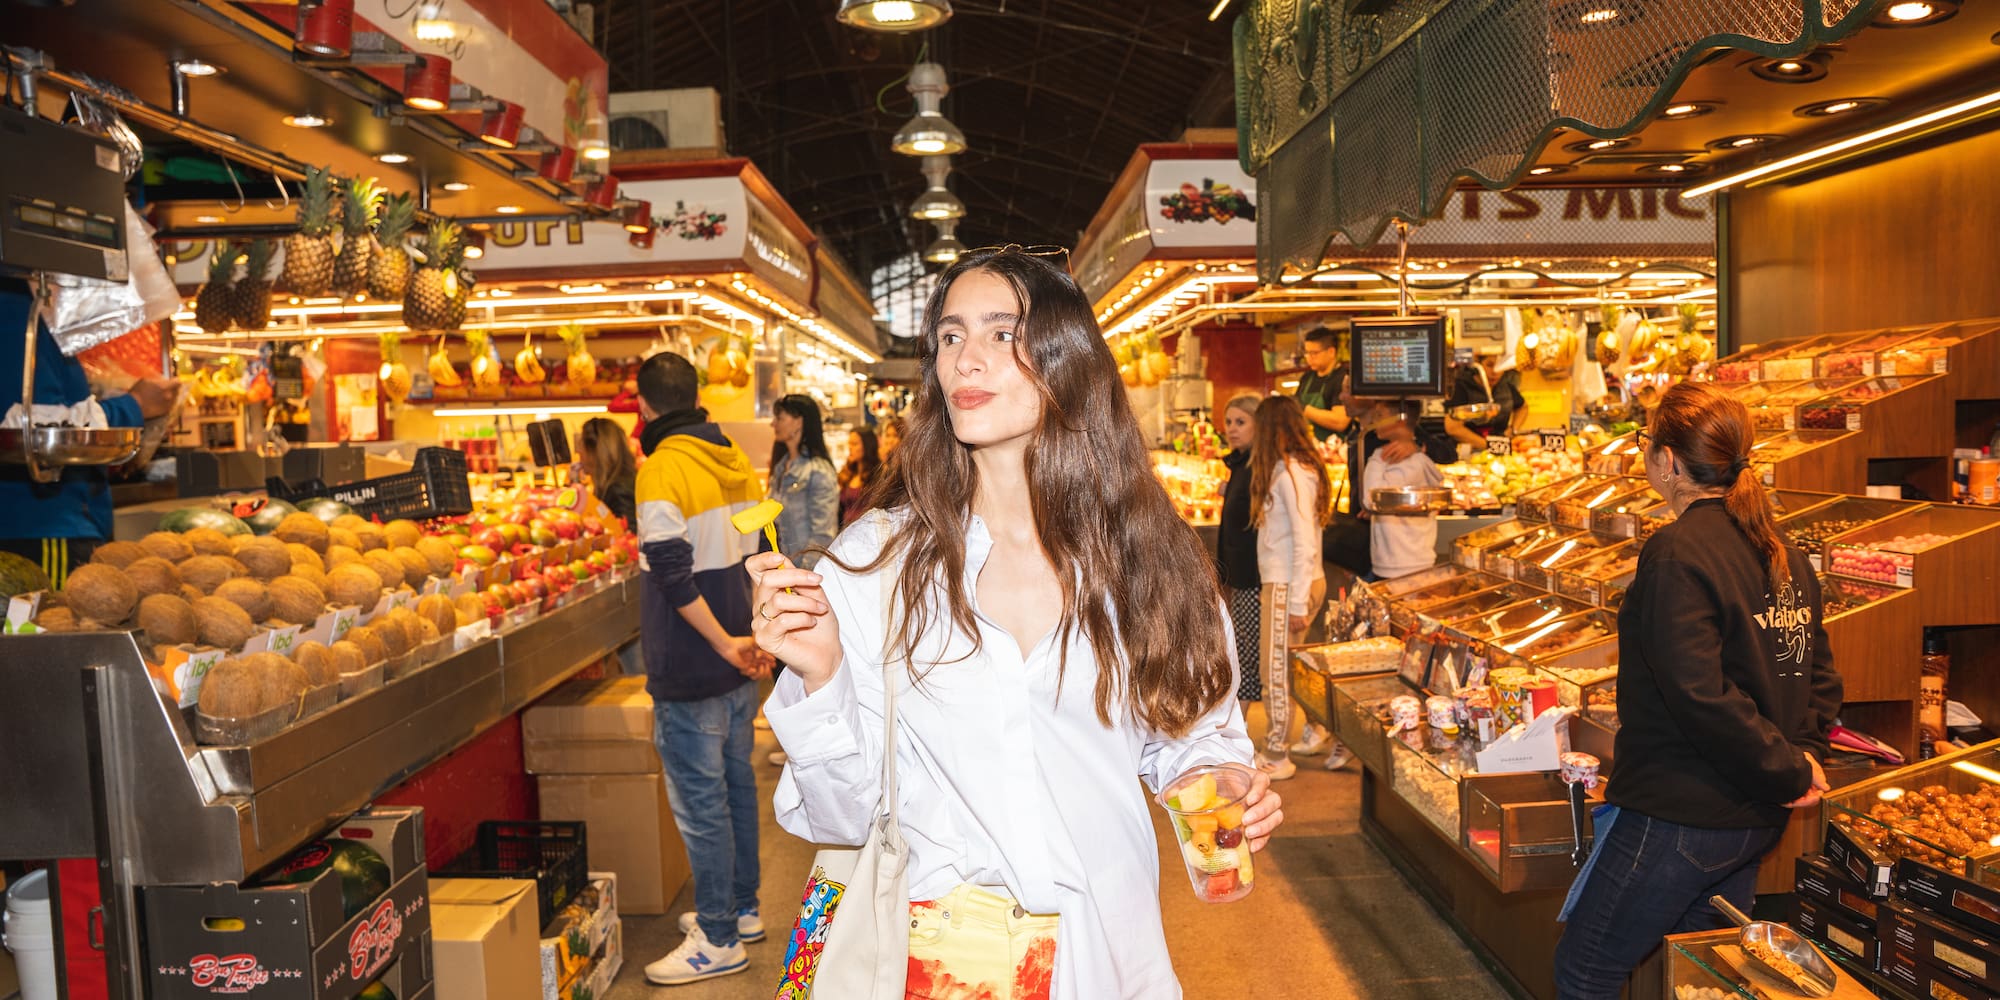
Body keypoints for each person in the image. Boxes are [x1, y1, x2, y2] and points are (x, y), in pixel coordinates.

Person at [749, 246, 1284, 1000]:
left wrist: (1221, 780)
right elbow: (839, 818)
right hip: (938, 965)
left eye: (1003, 334)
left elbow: (1193, 733)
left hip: (1104, 952)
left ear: (1068, 361)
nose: (968, 359)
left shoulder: (1146, 558)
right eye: (950, 336)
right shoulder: (876, 565)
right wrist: (823, 675)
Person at [1552, 381, 1841, 999]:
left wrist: (1791, 769)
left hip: (1682, 814)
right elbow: (1817, 669)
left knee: (1586, 969)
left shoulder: (1676, 552)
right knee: (1700, 976)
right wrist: (1799, 759)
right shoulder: (1782, 547)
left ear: (1668, 462)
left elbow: (1699, 694)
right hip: (1755, 815)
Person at [630, 351, 776, 987]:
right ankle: (740, 911)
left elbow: (669, 570)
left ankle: (717, 937)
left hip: (696, 665)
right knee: (736, 786)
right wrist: (755, 640)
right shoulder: (734, 460)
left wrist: (723, 644)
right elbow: (765, 552)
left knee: (701, 805)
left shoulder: (660, 469)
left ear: (644, 405)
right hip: (740, 660)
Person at [0, 280, 179, 582]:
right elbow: (38, 427)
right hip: (42, 524)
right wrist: (135, 406)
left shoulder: (35, 313)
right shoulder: (16, 311)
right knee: (54, 625)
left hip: (55, 521)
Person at [1245, 394, 1334, 779]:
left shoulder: (1290, 473)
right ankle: (1324, 730)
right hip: (1296, 581)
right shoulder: (1300, 468)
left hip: (1287, 585)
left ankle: (1277, 753)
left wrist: (1296, 602)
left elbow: (1302, 542)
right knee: (1293, 669)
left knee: (1275, 671)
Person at [1361, 400, 1447, 581]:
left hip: (1395, 562)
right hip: (1421, 557)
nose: (1373, 421)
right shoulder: (1423, 460)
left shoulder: (1386, 459)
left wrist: (1376, 461)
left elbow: (1372, 498)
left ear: (1399, 419)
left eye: (1379, 416)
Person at [1216, 394, 1263, 709]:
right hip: (1238, 577)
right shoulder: (1239, 466)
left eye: (1241, 422)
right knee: (1241, 648)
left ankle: (1242, 728)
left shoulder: (1259, 471)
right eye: (1229, 422)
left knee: (1247, 653)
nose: (1232, 429)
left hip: (1253, 579)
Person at [768, 394, 839, 570]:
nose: (773, 424)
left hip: (805, 572)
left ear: (799, 422)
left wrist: (804, 576)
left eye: (780, 418)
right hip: (784, 568)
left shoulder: (817, 471)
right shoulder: (781, 467)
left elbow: (823, 534)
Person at [1445, 345, 1526, 448]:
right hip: (1466, 451)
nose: (1495, 372)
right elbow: (1452, 428)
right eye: (1489, 365)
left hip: (1500, 449)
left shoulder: (1506, 386)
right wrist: (1489, 446)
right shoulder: (1462, 387)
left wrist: (1513, 430)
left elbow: (1523, 407)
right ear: (1478, 364)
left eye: (1499, 366)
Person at [574, 417, 637, 527]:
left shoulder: (618, 490)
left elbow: (627, 535)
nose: (579, 452)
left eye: (581, 446)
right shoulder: (615, 482)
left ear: (594, 452)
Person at [837, 426, 882, 526]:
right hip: (845, 532)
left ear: (867, 445)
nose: (850, 447)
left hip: (868, 531)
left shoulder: (879, 474)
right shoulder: (847, 473)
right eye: (849, 444)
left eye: (854, 444)